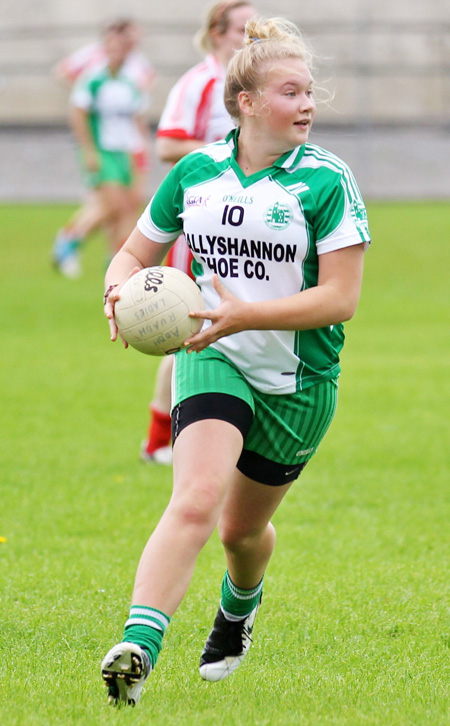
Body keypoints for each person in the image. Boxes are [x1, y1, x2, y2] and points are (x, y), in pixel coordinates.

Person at [101, 16, 371, 706]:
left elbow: (339, 300)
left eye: (310, 91)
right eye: (290, 91)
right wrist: (117, 285)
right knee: (192, 500)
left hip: (299, 379)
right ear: (246, 102)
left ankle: (237, 610)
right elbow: (137, 252)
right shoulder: (196, 174)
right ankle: (137, 647)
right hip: (211, 356)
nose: (307, 104)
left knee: (240, 531)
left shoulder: (327, 182)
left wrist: (245, 314)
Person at [140, 0, 256, 465]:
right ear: (217, 33)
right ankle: (161, 439)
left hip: (245, 229)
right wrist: (226, 150)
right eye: (244, 29)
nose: (252, 39)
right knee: (191, 332)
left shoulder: (251, 87)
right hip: (201, 231)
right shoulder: (201, 82)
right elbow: (168, 142)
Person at [52, 19, 154, 277]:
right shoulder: (94, 76)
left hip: (127, 150)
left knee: (129, 207)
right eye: (118, 41)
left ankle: (114, 263)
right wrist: (88, 151)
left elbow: (138, 117)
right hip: (103, 149)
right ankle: (68, 241)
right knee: (113, 205)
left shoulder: (132, 76)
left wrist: (143, 150)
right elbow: (78, 113)